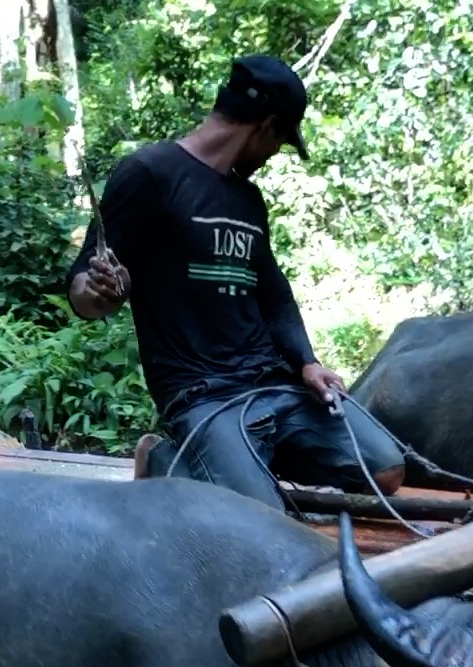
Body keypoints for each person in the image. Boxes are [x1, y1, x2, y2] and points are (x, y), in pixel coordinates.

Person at [65, 54, 406, 508]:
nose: (271, 156)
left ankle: (241, 466)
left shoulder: (247, 198)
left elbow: (272, 293)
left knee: (385, 469)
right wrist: (100, 289)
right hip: (201, 395)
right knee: (262, 517)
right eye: (280, 143)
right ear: (266, 126)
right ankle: (169, 459)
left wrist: (306, 362)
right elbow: (84, 290)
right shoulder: (149, 173)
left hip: (272, 384)